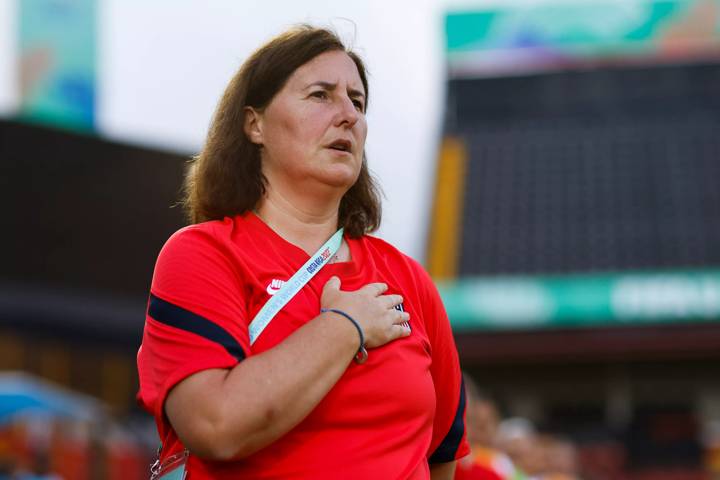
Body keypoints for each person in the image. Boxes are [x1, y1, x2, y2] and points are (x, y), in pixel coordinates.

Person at [136, 25, 469, 479]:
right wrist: (344, 327)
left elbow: (443, 454)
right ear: (255, 124)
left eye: (357, 101)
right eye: (320, 95)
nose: (348, 115)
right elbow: (214, 425)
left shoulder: (408, 279)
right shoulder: (202, 255)